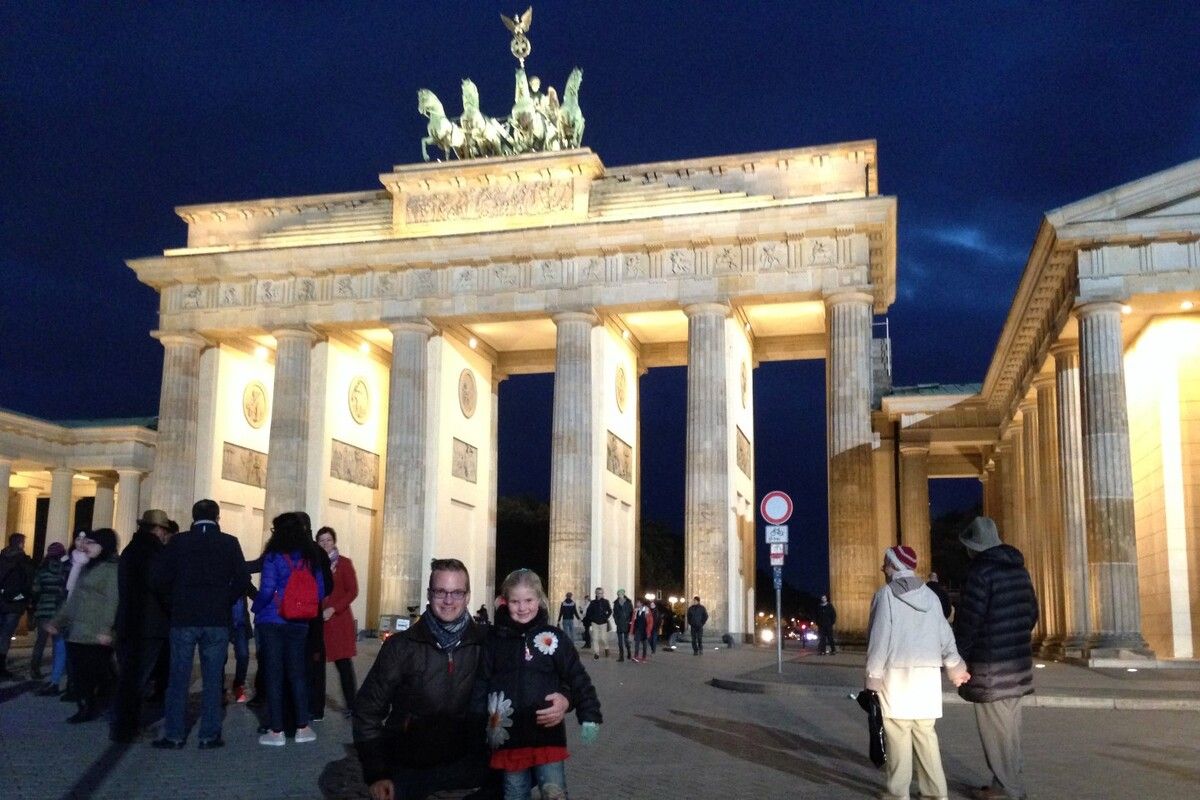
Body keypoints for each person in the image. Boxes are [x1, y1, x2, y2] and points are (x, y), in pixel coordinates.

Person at [354, 558, 570, 800]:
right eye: (441, 592)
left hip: (470, 763)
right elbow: (367, 711)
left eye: (457, 592)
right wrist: (376, 773)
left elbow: (544, 668)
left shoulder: (489, 641)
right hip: (412, 764)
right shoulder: (401, 646)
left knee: (523, 768)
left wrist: (565, 698)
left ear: (467, 596)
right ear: (429, 593)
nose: (448, 600)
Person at [481, 569, 602, 800]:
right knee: (515, 794)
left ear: (539, 600)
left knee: (553, 793)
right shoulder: (494, 640)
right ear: (505, 602)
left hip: (547, 735)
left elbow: (576, 676)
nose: (522, 607)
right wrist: (476, 726)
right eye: (515, 601)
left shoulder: (555, 638)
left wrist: (589, 713)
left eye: (529, 600)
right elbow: (482, 683)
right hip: (509, 738)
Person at [866, 545, 970, 800]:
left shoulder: (886, 596)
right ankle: (935, 793)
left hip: (897, 679)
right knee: (926, 736)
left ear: (894, 567)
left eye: (885, 564)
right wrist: (956, 668)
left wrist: (873, 678)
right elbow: (946, 637)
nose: (883, 568)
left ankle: (898, 793)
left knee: (898, 737)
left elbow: (879, 641)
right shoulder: (932, 598)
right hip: (926, 680)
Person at [150, 499, 250, 750]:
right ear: (217, 517)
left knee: (178, 678)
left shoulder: (179, 542)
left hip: (183, 617)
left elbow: (159, 578)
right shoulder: (229, 542)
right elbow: (242, 578)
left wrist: (173, 603)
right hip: (216, 618)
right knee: (213, 678)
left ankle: (173, 735)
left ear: (192, 518)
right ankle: (209, 735)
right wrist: (225, 600)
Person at [955, 517, 1038, 800]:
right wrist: (1014, 637)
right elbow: (1032, 613)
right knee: (1010, 729)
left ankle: (1009, 789)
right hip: (1017, 664)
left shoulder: (981, 573)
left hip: (991, 667)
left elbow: (970, 620)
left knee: (995, 732)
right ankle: (1005, 781)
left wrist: (958, 657)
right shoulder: (1019, 571)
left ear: (974, 547)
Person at [252, 511, 327, 746]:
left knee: (274, 675)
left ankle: (277, 732)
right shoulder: (311, 556)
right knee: (297, 673)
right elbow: (321, 591)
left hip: (272, 621)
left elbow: (266, 589)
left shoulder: (274, 556)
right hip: (299, 622)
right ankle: (303, 727)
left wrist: (257, 608)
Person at [46, 529, 120, 723]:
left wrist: (106, 628)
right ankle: (87, 705)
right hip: (78, 630)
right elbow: (74, 599)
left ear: (104, 546)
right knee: (80, 673)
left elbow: (113, 601)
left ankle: (96, 706)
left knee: (96, 673)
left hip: (95, 631)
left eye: (91, 543)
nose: (86, 546)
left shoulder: (111, 570)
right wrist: (58, 620)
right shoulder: (87, 567)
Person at [111, 509, 171, 742]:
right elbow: (159, 585)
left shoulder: (129, 550)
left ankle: (122, 725)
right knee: (137, 680)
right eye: (164, 530)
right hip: (149, 625)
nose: (165, 535)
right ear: (157, 530)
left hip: (128, 621)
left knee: (129, 677)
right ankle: (126, 728)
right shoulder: (152, 552)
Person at [317, 526, 358, 718]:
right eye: (321, 541)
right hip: (319, 622)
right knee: (316, 666)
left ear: (334, 542)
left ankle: (353, 705)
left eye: (328, 540)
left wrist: (334, 608)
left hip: (339, 622)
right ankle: (315, 705)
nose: (325, 544)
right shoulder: (315, 564)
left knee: (343, 665)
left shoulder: (344, 564)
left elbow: (352, 591)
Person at [29, 541, 69, 685]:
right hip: (58, 610)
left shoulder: (42, 570)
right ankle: (55, 671)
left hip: (43, 609)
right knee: (57, 642)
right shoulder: (65, 569)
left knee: (40, 641)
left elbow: (35, 590)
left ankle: (35, 669)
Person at [0, 532, 35, 680]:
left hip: (0, 600)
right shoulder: (24, 560)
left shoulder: (1, 558)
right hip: (15, 604)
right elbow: (29, 582)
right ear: (21, 544)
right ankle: (1, 667)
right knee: (6, 636)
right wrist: (25, 599)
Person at [583, 587, 612, 660]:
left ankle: (606, 647)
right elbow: (588, 612)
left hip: (603, 623)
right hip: (595, 623)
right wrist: (592, 618)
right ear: (596, 593)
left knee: (603, 638)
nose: (600, 594)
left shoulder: (606, 601)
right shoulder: (592, 602)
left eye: (602, 593)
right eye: (599, 593)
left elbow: (610, 611)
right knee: (595, 638)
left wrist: (606, 617)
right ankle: (596, 653)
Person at [611, 589, 633, 662]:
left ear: (623, 594)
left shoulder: (628, 602)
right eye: (618, 594)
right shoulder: (616, 602)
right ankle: (621, 657)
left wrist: (629, 621)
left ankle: (629, 652)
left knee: (626, 641)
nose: (619, 595)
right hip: (619, 624)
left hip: (626, 624)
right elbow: (614, 613)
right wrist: (616, 621)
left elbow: (631, 612)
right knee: (620, 642)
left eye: (620, 594)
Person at [630, 598, 651, 663]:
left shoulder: (647, 611)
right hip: (638, 630)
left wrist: (649, 631)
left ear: (641, 603)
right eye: (637, 603)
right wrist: (631, 630)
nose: (637, 604)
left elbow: (650, 622)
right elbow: (633, 621)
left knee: (644, 645)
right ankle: (636, 656)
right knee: (637, 644)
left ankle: (644, 657)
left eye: (638, 603)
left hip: (644, 630)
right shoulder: (636, 611)